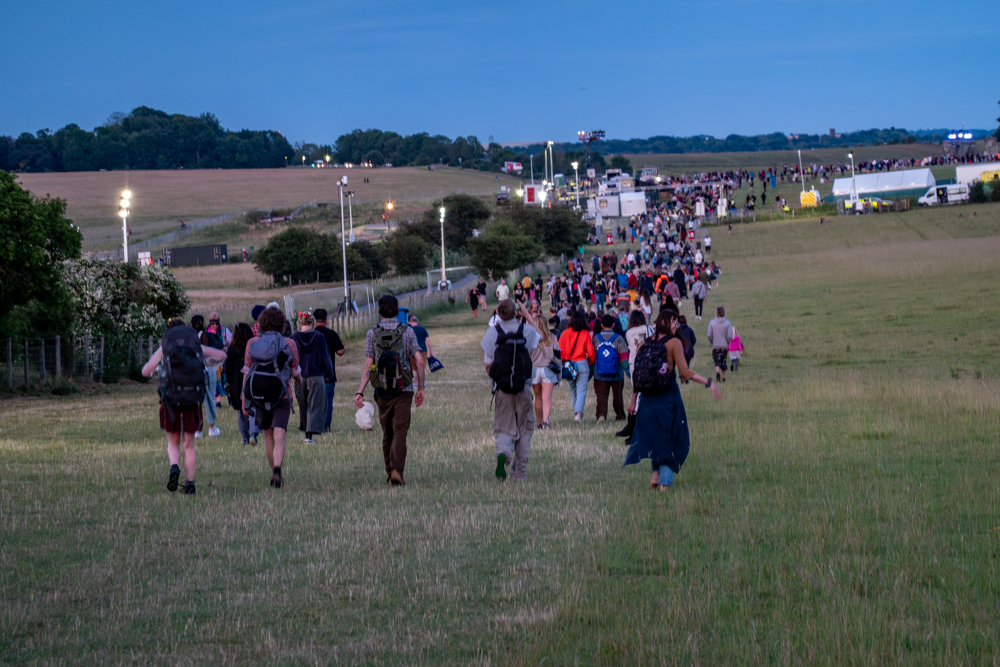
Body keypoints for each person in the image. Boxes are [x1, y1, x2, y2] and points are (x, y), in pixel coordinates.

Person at [624, 310, 721, 491]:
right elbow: (685, 372)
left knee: (655, 437)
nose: (677, 326)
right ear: (666, 323)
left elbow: (638, 375)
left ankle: (655, 474)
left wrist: (633, 401)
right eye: (674, 322)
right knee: (675, 439)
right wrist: (708, 382)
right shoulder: (674, 343)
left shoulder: (644, 343)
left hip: (646, 400)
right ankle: (665, 484)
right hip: (668, 398)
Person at [142, 317, 227, 495]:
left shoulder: (165, 347)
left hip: (171, 399)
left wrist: (159, 366)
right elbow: (222, 355)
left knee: (173, 441)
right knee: (188, 444)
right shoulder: (196, 347)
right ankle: (189, 483)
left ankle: (174, 467)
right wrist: (207, 362)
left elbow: (145, 371)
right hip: (191, 397)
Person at [355, 295, 426, 487]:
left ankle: (389, 473)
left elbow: (369, 365)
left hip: (382, 390)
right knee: (400, 431)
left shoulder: (372, 333)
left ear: (379, 311)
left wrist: (360, 391)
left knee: (387, 433)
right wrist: (420, 387)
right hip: (403, 389)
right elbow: (419, 361)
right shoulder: (407, 332)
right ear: (397, 309)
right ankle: (397, 471)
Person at [242, 306, 302, 489]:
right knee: (280, 435)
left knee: (268, 437)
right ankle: (277, 469)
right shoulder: (289, 343)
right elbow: (295, 370)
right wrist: (299, 381)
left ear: (261, 323)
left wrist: (244, 398)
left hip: (260, 396)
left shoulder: (252, 343)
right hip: (282, 395)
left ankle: (274, 474)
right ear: (281, 324)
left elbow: (247, 372)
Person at [481, 299, 540, 480]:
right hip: (523, 387)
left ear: (498, 314)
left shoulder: (493, 333)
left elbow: (488, 364)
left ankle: (503, 453)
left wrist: (497, 380)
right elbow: (541, 336)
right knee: (525, 428)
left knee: (504, 426)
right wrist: (526, 315)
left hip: (502, 389)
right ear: (516, 312)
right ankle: (519, 471)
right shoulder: (527, 331)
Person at [291, 312, 333, 444]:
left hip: (299, 377)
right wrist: (329, 373)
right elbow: (326, 357)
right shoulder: (319, 337)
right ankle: (309, 436)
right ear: (312, 323)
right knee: (314, 406)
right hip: (315, 376)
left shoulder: (294, 337)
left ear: (300, 323)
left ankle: (306, 433)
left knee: (303, 406)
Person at [558, 311, 596, 424]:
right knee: (581, 390)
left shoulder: (564, 334)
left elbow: (559, 351)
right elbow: (590, 352)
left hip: (569, 365)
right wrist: (592, 361)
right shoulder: (585, 334)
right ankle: (578, 414)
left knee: (574, 391)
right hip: (582, 363)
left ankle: (577, 414)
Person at [190, 314, 223, 438]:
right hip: (208, 369)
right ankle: (211, 428)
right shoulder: (208, 336)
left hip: (194, 371)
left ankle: (198, 429)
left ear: (191, 325)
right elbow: (220, 345)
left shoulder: (189, 339)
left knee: (196, 401)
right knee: (210, 400)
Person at [313, 308, 346, 433]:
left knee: (315, 401)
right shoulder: (331, 334)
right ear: (326, 319)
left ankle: (315, 425)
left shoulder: (312, 334)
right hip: (328, 374)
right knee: (328, 401)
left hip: (313, 373)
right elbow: (341, 352)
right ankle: (326, 426)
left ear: (315, 320)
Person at [224, 322, 256, 445]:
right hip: (252, 381)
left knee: (241, 413)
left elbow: (229, 368)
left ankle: (245, 438)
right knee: (253, 408)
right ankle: (254, 432)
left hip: (236, 384)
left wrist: (228, 384)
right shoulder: (253, 347)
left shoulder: (232, 350)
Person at [593, 314, 628, 423]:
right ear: (613, 325)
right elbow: (623, 358)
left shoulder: (596, 338)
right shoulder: (619, 338)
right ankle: (620, 415)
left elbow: (593, 356)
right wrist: (627, 370)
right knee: (617, 396)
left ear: (602, 325)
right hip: (616, 373)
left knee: (601, 396)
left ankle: (601, 415)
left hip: (599, 373)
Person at [529, 312, 560, 429]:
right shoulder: (552, 337)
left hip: (534, 370)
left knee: (538, 397)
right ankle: (546, 421)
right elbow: (557, 357)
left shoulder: (531, 338)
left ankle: (539, 422)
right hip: (548, 369)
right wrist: (559, 376)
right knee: (547, 397)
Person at [706, 306, 734, 383]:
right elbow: (730, 336)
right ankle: (724, 378)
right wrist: (727, 342)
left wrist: (712, 341)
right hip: (724, 345)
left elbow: (709, 335)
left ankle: (717, 372)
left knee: (717, 361)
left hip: (715, 345)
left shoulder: (712, 323)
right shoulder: (728, 323)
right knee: (724, 361)